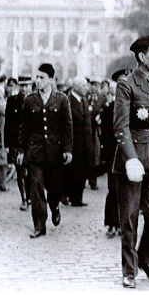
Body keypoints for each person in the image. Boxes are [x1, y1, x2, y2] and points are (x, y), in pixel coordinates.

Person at [113, 35, 149, 288]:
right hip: (134, 160)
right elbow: (121, 126)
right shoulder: (126, 84)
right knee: (130, 217)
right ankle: (129, 269)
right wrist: (130, 158)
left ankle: (147, 258)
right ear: (142, 56)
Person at [17, 63, 73, 238]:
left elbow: (68, 127)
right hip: (35, 152)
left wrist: (68, 149)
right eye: (37, 77)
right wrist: (21, 150)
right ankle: (39, 225)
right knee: (36, 188)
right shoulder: (29, 100)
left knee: (54, 187)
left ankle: (54, 206)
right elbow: (24, 128)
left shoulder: (62, 99)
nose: (38, 81)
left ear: (50, 79)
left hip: (55, 153)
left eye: (42, 78)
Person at [103, 68, 132, 238]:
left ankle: (124, 223)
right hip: (114, 153)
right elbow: (106, 135)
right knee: (113, 188)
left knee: (128, 190)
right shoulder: (110, 108)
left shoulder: (134, 105)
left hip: (129, 153)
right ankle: (111, 223)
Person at [5, 75, 34, 210]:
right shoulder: (12, 101)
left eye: (26, 85)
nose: (24, 88)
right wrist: (7, 145)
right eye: (22, 86)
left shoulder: (36, 101)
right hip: (16, 143)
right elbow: (8, 124)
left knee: (31, 172)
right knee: (20, 172)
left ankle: (30, 196)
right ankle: (24, 198)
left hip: (32, 144)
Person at [64, 76, 94, 207]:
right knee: (72, 171)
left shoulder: (84, 101)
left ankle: (78, 198)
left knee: (82, 170)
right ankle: (70, 196)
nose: (86, 88)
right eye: (84, 86)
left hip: (85, 143)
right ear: (76, 87)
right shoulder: (68, 101)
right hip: (74, 143)